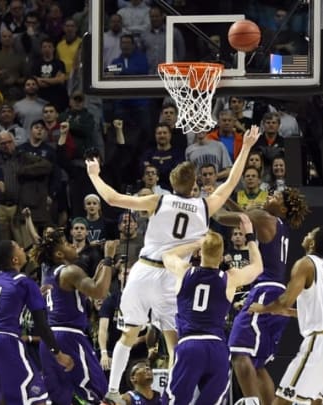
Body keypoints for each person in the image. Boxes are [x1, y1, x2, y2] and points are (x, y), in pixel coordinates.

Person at [88, 126, 261, 401]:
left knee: (129, 334)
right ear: (194, 184)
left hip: (144, 269)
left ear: (171, 182)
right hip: (173, 275)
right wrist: (247, 147)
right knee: (173, 344)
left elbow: (112, 198)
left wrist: (94, 175)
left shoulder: (159, 199)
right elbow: (230, 182)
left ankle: (111, 392)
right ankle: (172, 398)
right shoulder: (205, 206)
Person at [214, 187, 310, 405]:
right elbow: (244, 216)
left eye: (274, 196)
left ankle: (250, 402)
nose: (269, 196)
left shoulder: (262, 216)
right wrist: (226, 197)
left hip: (265, 292)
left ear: (283, 207)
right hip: (277, 294)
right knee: (256, 364)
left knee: (238, 352)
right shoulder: (278, 224)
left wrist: (211, 199)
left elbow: (221, 217)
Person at [160, 214, 263, 405]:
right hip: (217, 348)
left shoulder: (184, 271)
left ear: (201, 251)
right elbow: (257, 267)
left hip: (190, 345)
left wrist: (196, 243)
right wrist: (249, 236)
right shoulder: (230, 278)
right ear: (222, 253)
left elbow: (167, 255)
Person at [248, 226, 323, 404]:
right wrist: (285, 312)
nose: (306, 234)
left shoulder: (305, 263)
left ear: (312, 242)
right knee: (317, 401)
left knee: (283, 399)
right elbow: (317, 310)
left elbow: (286, 300)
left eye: (310, 233)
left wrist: (263, 309)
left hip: (320, 342)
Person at [0, 240, 74, 405]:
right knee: (37, 397)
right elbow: (41, 325)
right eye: (19, 248)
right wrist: (58, 353)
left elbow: (4, 305)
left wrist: (31, 296)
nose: (23, 249)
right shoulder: (25, 282)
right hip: (6, 340)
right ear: (15, 260)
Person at [31, 229, 115, 404]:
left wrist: (98, 273)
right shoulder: (70, 271)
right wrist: (108, 258)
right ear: (59, 253)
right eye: (67, 242)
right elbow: (99, 292)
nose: (72, 244)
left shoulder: (48, 271)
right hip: (69, 337)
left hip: (49, 341)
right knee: (97, 392)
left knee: (59, 398)